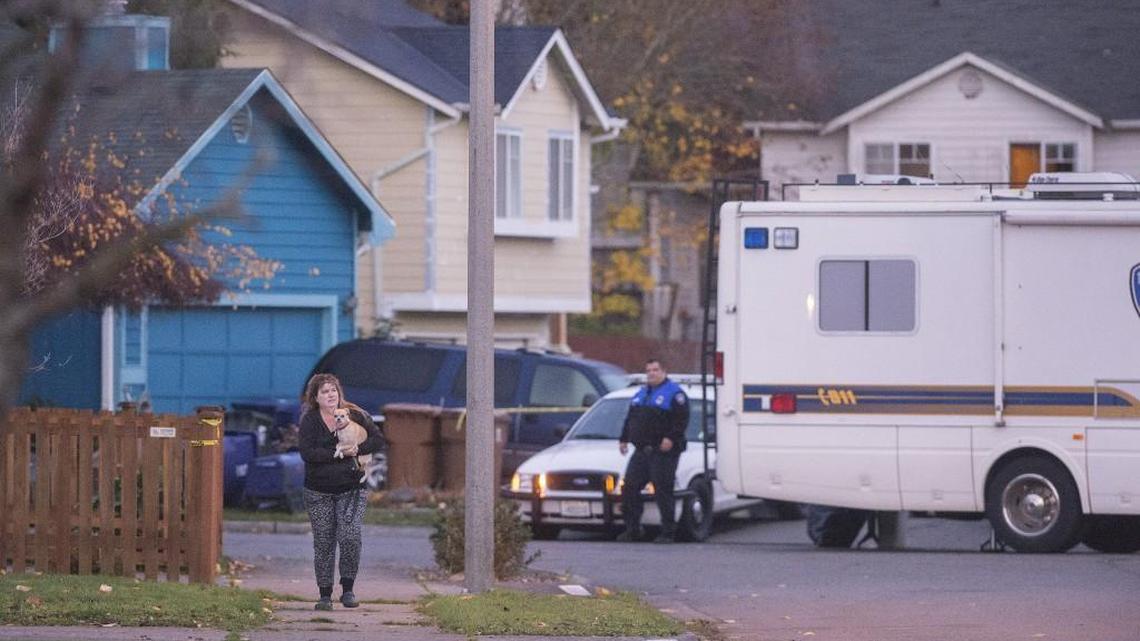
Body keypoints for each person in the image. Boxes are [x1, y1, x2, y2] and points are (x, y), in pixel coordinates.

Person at [298, 373, 385, 610]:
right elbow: (307, 453)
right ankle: (324, 594)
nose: (330, 395)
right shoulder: (310, 421)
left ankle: (348, 589)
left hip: (352, 489)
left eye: (333, 390)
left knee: (350, 536)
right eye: (324, 391)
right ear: (315, 397)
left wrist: (357, 449)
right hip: (318, 491)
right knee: (324, 542)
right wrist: (336, 455)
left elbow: (378, 439)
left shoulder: (355, 414)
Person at [617, 358, 689, 543]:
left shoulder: (674, 394)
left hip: (663, 451)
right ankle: (633, 529)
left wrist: (671, 438)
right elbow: (630, 418)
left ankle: (668, 532)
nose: (651, 373)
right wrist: (624, 438)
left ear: (664, 371)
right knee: (630, 487)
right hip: (641, 450)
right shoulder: (641, 393)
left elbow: (681, 420)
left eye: (655, 370)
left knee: (663, 490)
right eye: (648, 370)